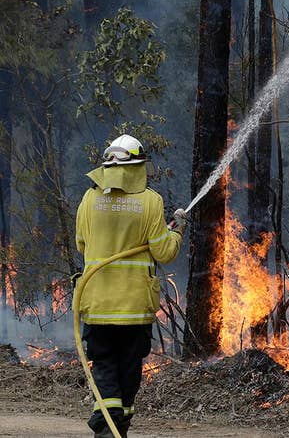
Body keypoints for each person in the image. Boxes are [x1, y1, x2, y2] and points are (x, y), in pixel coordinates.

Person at [74, 134, 187, 438]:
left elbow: (82, 245)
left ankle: (108, 424)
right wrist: (177, 230)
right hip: (135, 307)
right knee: (129, 368)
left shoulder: (89, 199)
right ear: (139, 168)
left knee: (105, 364)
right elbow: (164, 251)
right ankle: (114, 426)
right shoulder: (151, 201)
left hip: (97, 303)